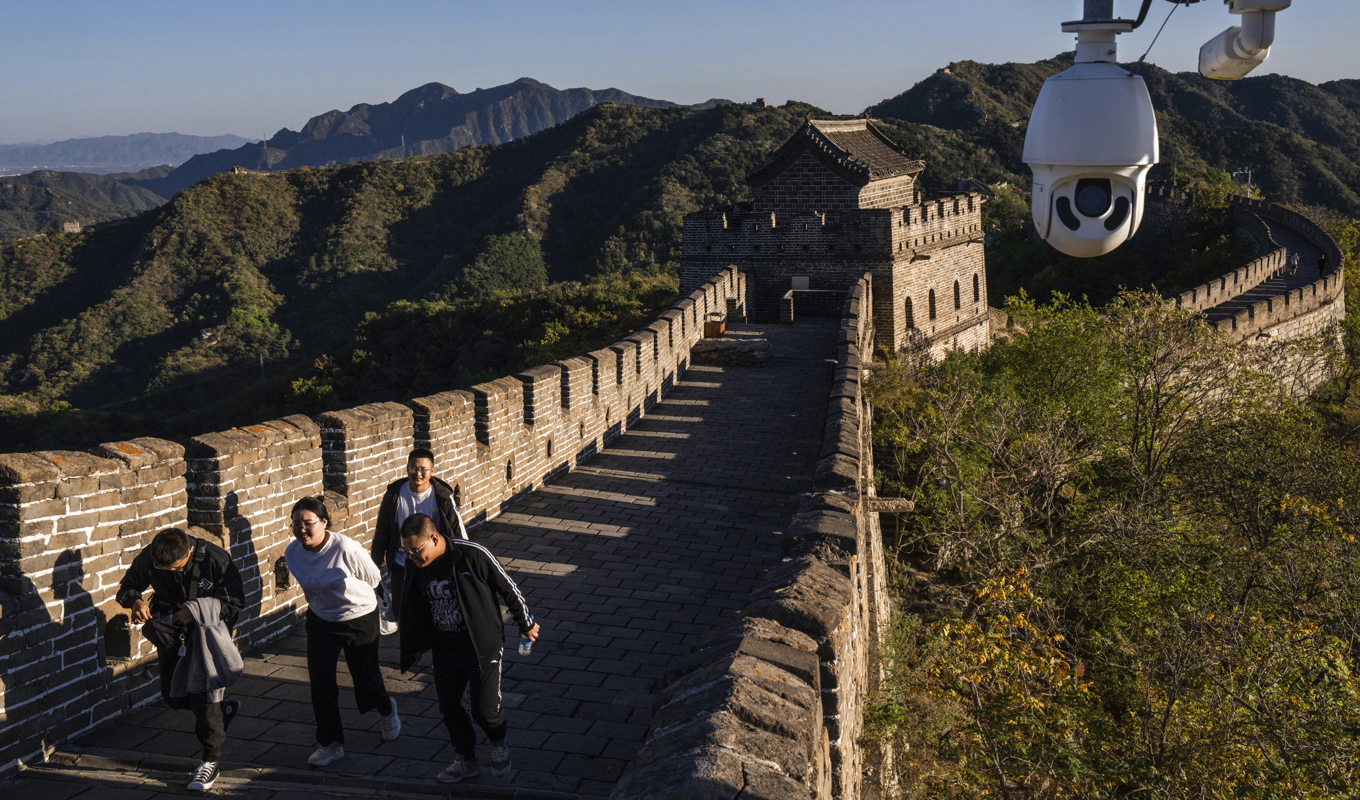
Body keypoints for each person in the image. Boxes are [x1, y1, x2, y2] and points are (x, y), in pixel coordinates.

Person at [397, 513, 539, 783]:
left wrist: (526, 623)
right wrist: (412, 642)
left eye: (416, 550)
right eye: (406, 551)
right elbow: (412, 603)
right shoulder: (414, 563)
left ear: (435, 538)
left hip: (481, 645)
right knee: (450, 707)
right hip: (445, 646)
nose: (412, 556)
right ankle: (465, 759)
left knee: (484, 710)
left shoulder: (471, 554)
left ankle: (498, 744)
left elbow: (508, 587)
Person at [116, 527, 246, 792]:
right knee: (173, 696)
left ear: (189, 551)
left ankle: (210, 761)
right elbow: (127, 587)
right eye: (164, 569)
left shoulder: (216, 559)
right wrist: (137, 602)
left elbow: (235, 601)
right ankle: (220, 716)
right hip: (171, 633)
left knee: (204, 697)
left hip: (206, 634)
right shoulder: (152, 556)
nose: (170, 572)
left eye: (177, 568)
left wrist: (195, 611)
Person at [285, 496, 401, 767]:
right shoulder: (293, 553)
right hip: (321, 619)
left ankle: (386, 708)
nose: (302, 529)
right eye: (296, 524)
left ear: (324, 522)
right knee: (321, 682)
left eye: (308, 523)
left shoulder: (346, 548)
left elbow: (372, 578)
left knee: (365, 678)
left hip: (359, 618)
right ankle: (330, 743)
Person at [371, 448, 468, 624]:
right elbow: (382, 530)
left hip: (433, 563)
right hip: (403, 565)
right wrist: (375, 564)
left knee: (436, 612)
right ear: (407, 468)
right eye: (413, 468)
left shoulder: (442, 496)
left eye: (423, 469)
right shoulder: (394, 494)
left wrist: (465, 562)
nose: (418, 473)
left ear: (432, 471)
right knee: (403, 614)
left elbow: (457, 529)